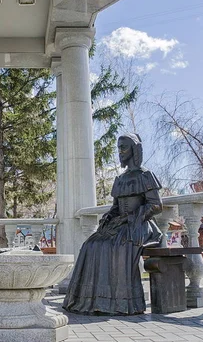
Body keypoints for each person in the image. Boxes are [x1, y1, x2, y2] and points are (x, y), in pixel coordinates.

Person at [63, 133, 163, 316]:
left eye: (123, 147)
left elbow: (156, 205)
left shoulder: (146, 175)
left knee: (117, 246)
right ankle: (93, 300)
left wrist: (132, 217)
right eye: (118, 148)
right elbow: (116, 207)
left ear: (134, 149)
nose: (120, 151)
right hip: (120, 224)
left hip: (139, 225)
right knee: (91, 244)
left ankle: (122, 302)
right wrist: (109, 218)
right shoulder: (121, 179)